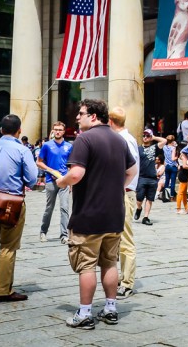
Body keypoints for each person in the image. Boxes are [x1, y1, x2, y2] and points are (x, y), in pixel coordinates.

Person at [55, 99, 136, 329]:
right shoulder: (119, 140)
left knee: (87, 265)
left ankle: (85, 313)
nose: (77, 118)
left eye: (81, 114)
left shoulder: (85, 139)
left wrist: (62, 181)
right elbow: (132, 170)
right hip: (114, 214)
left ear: (93, 116)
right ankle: (111, 309)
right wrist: (116, 186)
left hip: (89, 215)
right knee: (110, 262)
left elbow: (76, 174)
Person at [0, 114, 38, 303]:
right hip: (12, 201)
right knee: (8, 246)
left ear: (1, 130)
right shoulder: (22, 150)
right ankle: (4, 290)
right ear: (19, 131)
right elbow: (32, 180)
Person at [109, 106, 140, 300]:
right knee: (118, 238)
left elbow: (131, 169)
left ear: (111, 122)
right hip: (122, 192)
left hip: (125, 192)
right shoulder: (124, 139)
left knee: (126, 239)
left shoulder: (125, 140)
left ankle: (127, 281)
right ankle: (122, 276)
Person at [37, 121, 73, 244]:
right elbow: (39, 162)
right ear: (53, 131)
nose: (57, 131)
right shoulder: (47, 145)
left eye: (60, 130)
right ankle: (43, 231)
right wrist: (50, 170)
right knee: (49, 208)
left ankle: (64, 235)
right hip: (50, 181)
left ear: (64, 132)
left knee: (65, 208)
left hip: (64, 181)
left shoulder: (69, 146)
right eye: (55, 129)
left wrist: (71, 182)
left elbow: (71, 166)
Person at [135, 129, 167, 225]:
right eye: (144, 135)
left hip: (152, 177)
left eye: (147, 136)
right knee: (139, 198)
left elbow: (164, 141)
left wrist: (154, 137)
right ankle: (139, 208)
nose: (145, 137)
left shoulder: (154, 147)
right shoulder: (138, 149)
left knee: (150, 198)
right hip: (141, 176)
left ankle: (146, 217)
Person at [161, 135, 178, 202]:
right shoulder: (173, 148)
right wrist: (177, 157)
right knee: (173, 182)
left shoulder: (164, 147)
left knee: (167, 181)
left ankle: (165, 195)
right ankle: (171, 196)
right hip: (173, 166)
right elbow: (173, 158)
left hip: (167, 165)